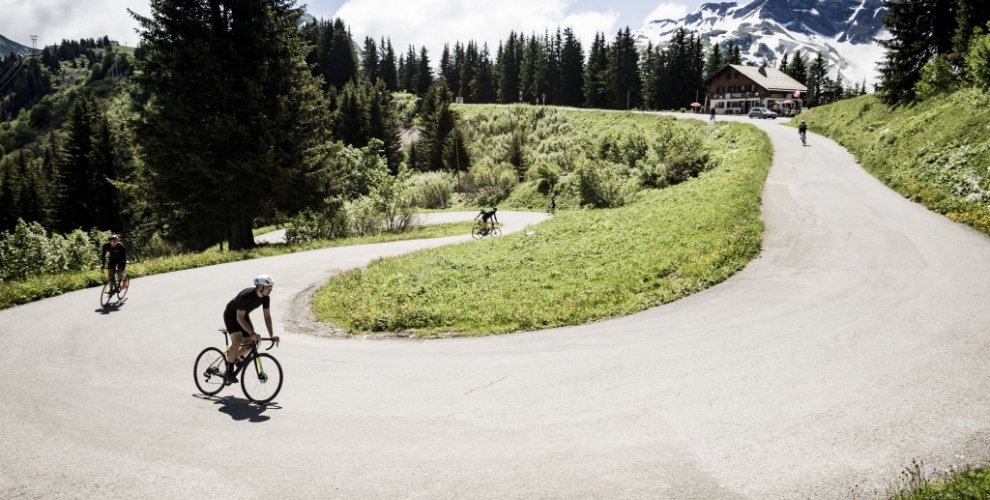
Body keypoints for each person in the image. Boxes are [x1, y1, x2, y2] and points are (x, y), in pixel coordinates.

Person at [222, 275, 278, 384]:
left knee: (252, 342)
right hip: (232, 315)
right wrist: (252, 332)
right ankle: (229, 371)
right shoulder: (246, 295)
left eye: (271, 287)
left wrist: (272, 335)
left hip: (243, 315)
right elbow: (239, 318)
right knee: (237, 340)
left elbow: (267, 316)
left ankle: (234, 356)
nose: (271, 289)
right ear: (260, 287)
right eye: (268, 287)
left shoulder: (266, 297)